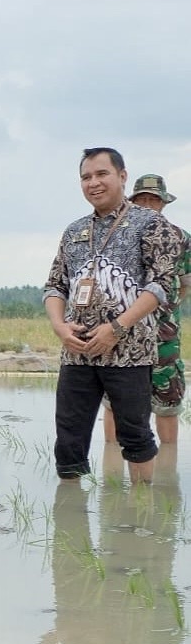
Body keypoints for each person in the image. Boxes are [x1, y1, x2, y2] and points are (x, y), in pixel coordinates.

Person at [43, 148, 182, 483]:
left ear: (121, 176)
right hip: (77, 353)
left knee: (134, 435)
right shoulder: (74, 231)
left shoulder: (151, 224)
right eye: (86, 177)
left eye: (102, 174)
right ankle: (70, 519)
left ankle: (141, 517)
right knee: (69, 439)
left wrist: (117, 328)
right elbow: (54, 286)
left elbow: (161, 284)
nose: (94, 183)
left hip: (129, 353)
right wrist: (60, 328)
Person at [102, 174, 191, 444]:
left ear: (163, 203)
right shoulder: (116, 236)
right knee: (115, 401)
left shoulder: (180, 238)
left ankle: (167, 467)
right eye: (142, 200)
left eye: (154, 200)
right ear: (132, 202)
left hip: (164, 335)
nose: (148, 204)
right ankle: (113, 464)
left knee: (167, 399)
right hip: (123, 333)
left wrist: (167, 307)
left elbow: (186, 284)